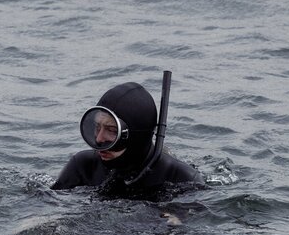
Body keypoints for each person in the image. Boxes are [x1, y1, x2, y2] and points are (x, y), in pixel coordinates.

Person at [51, 80, 202, 196]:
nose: (99, 139)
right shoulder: (83, 167)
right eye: (97, 127)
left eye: (111, 130)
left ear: (136, 136)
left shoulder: (182, 178)